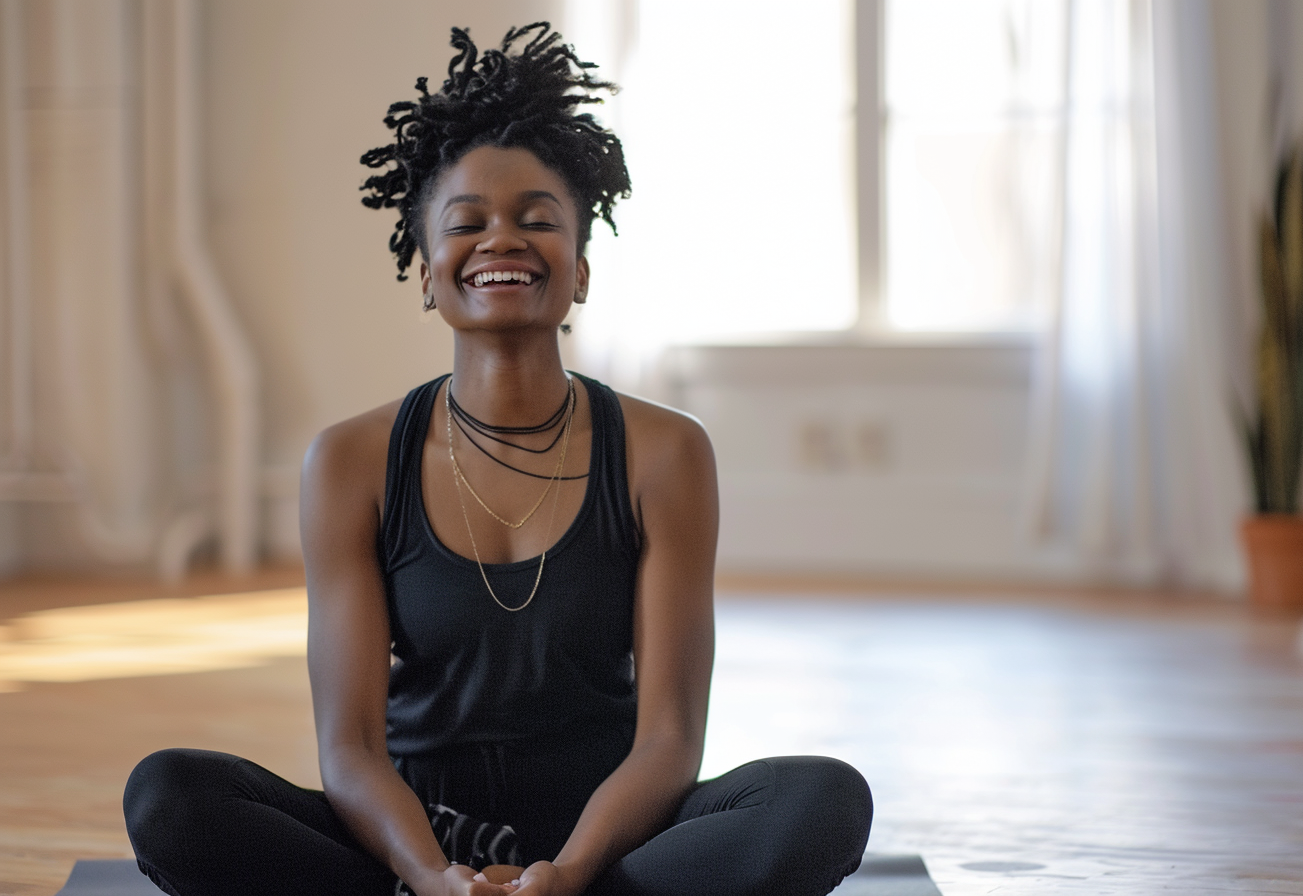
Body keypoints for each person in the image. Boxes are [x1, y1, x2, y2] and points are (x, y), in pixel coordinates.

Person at [122, 23, 872, 896]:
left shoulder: (666, 452)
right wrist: (432, 873)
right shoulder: (351, 461)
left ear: (580, 270)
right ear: (429, 273)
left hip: (611, 839)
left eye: (537, 220)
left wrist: (574, 869)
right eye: (467, 223)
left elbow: (669, 736)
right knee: (170, 797)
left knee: (822, 801)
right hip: (414, 835)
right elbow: (352, 747)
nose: (502, 240)